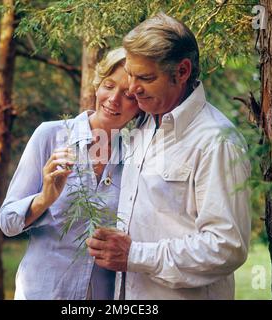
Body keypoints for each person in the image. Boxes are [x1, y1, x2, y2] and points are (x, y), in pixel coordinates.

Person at [86, 13, 251, 300]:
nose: (133, 88)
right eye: (131, 75)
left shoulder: (216, 140)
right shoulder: (144, 124)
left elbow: (227, 246)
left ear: (183, 71)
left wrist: (135, 255)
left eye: (146, 78)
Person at [0, 47, 140, 300]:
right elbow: (8, 222)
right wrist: (45, 198)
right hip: (43, 292)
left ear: (140, 105)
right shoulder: (49, 136)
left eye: (128, 95)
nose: (113, 100)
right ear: (97, 86)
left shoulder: (135, 155)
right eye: (108, 85)